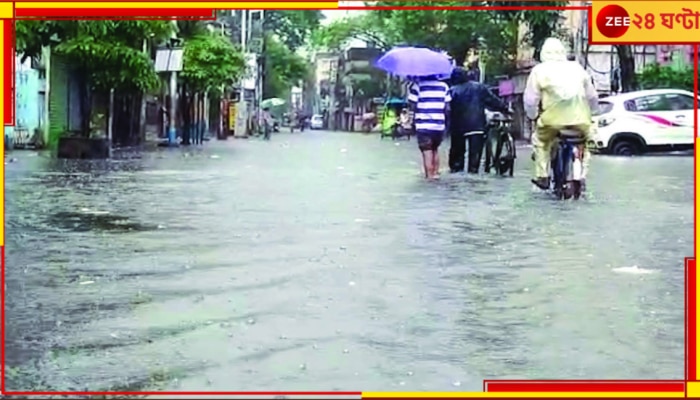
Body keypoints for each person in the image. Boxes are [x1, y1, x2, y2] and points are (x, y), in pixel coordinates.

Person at [523, 37, 598, 190]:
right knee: (587, 144)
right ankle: (582, 175)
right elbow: (592, 97)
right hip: (581, 120)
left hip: (552, 121)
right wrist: (593, 112)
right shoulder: (577, 68)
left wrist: (533, 115)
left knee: (540, 142)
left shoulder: (539, 70)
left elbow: (530, 100)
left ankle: (543, 176)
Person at [447, 67, 510, 174]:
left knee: (457, 155)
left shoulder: (452, 91)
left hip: (458, 127)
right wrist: (506, 109)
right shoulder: (479, 87)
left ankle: (457, 170)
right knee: (475, 156)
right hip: (477, 126)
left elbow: (448, 109)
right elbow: (493, 101)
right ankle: (473, 171)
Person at [407, 75, 452, 179]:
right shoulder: (444, 86)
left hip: (423, 124)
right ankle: (436, 173)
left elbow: (412, 105)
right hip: (439, 125)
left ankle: (429, 177)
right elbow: (448, 108)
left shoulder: (417, 86)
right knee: (435, 149)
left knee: (427, 150)